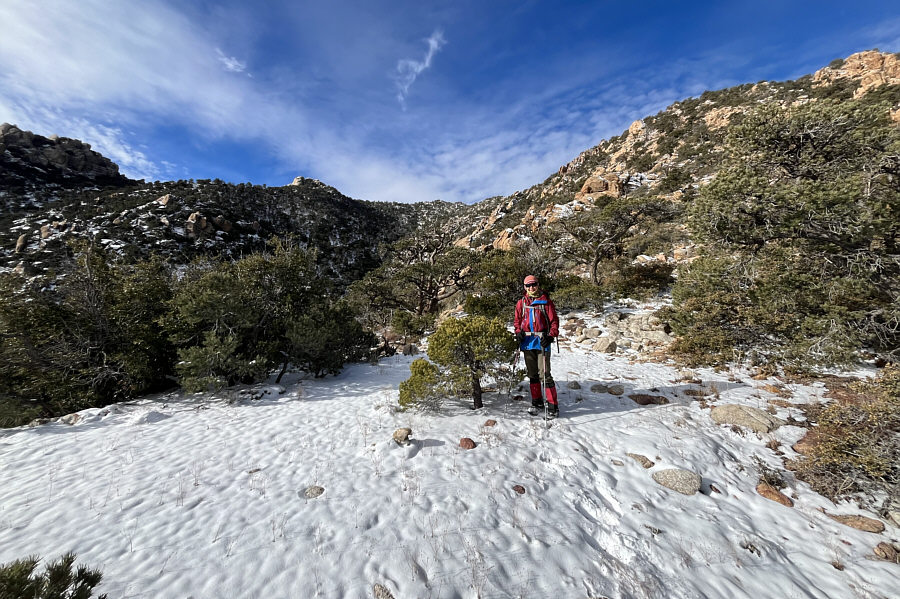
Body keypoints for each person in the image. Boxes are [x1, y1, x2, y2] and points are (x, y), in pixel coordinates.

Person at [513, 275, 559, 418]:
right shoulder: (521, 303)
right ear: (524, 287)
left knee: (545, 374)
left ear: (538, 285)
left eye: (534, 285)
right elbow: (517, 321)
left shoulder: (546, 302)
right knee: (532, 374)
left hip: (542, 341)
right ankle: (537, 402)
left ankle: (552, 406)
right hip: (527, 342)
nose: (531, 288)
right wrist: (518, 333)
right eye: (528, 285)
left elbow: (554, 322)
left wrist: (551, 336)